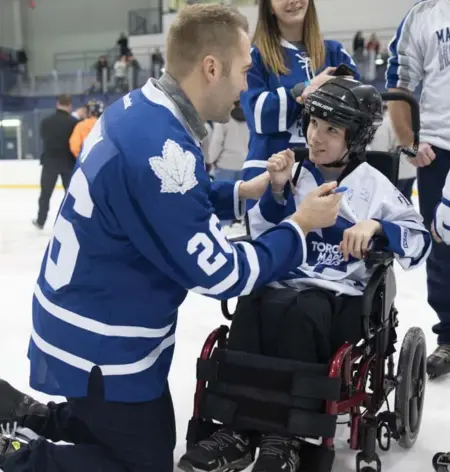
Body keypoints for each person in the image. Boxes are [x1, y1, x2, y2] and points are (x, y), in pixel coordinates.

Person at [0, 5, 345, 472]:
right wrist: (299, 226)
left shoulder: (140, 108)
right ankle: (18, 457)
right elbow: (223, 273)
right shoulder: (162, 149)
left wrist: (243, 192)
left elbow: (171, 201)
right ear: (211, 68)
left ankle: (33, 417)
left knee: (153, 439)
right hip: (101, 347)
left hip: (87, 322)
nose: (247, 85)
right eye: (244, 71)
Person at [177, 78, 431, 472]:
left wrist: (377, 227)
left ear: (357, 136)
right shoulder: (296, 175)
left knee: (305, 310)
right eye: (314, 123)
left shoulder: (374, 186)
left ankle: (288, 436)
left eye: (332, 130)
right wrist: (277, 192)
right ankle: (238, 429)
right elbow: (262, 232)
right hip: (284, 282)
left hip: (337, 295)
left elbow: (418, 239)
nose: (316, 136)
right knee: (252, 303)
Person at [386, 0, 450, 378]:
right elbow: (400, 83)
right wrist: (409, 141)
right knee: (442, 247)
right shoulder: (425, 14)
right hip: (439, 150)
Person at [240, 0, 358, 199]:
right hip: (269, 175)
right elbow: (259, 116)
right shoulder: (255, 56)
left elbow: (359, 114)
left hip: (329, 176)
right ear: (267, 5)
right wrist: (305, 89)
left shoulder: (336, 53)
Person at [32, 94, 78, 230]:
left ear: (57, 103)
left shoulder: (46, 122)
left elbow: (43, 137)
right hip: (67, 162)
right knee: (70, 194)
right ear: (69, 105)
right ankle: (72, 221)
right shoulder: (73, 122)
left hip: (49, 162)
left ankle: (41, 221)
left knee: (45, 194)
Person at [369, 103, 416, 202]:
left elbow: (379, 151)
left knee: (392, 202)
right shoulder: (410, 120)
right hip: (411, 170)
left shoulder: (385, 123)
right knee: (406, 199)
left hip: (395, 172)